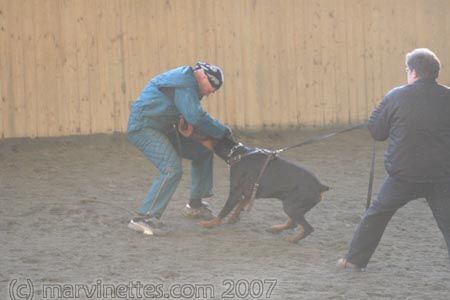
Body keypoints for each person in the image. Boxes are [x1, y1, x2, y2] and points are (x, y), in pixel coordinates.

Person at [337, 48, 450, 271]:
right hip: (441, 175)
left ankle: (354, 260)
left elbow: (378, 132)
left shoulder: (396, 96)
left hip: (403, 175)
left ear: (414, 72)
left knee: (376, 215)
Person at [127, 62, 231, 235]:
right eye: (211, 87)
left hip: (163, 127)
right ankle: (143, 219)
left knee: (203, 151)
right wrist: (223, 131)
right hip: (144, 128)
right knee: (171, 169)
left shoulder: (188, 81)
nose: (211, 92)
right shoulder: (184, 83)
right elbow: (196, 116)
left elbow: (187, 114)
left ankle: (195, 205)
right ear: (203, 77)